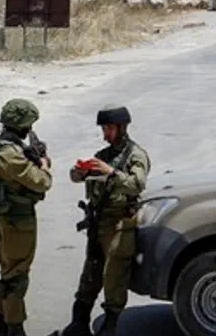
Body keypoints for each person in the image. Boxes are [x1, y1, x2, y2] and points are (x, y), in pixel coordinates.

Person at [58, 104, 151, 336]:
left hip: (120, 226)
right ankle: (79, 323)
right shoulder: (104, 155)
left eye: (109, 128)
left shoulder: (135, 155)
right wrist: (80, 172)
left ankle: (110, 326)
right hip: (97, 224)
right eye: (104, 129)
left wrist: (111, 173)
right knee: (90, 275)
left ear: (121, 127)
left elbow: (137, 184)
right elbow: (76, 176)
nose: (105, 134)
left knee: (114, 278)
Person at [0, 98, 53, 336]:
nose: (31, 130)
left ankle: (3, 326)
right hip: (18, 222)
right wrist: (44, 164)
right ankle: (16, 329)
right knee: (17, 277)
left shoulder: (2, 147)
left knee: (8, 273)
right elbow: (42, 183)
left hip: (7, 219)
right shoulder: (10, 155)